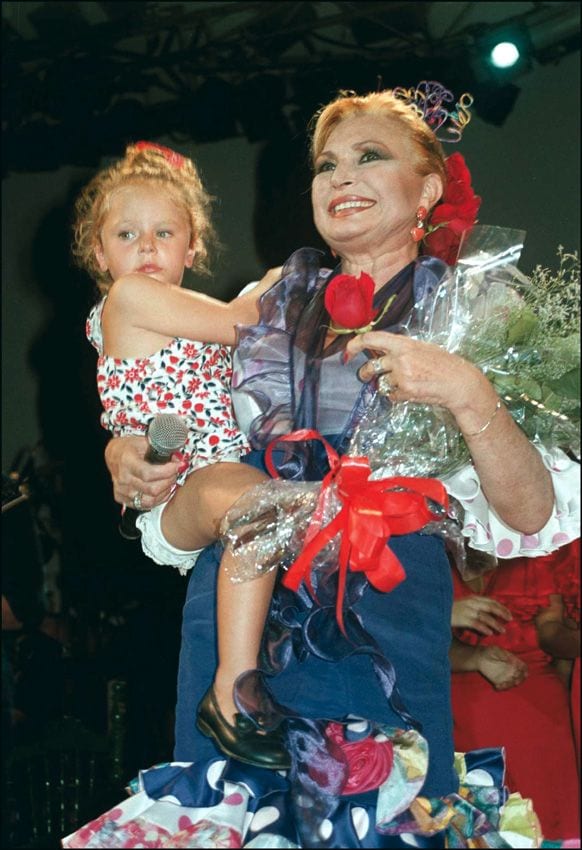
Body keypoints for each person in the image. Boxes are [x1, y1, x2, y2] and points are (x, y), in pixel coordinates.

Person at [66, 86, 579, 847]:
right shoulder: (262, 304)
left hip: (384, 625)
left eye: (369, 157)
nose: (340, 178)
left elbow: (532, 512)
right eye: (326, 165)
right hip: (235, 625)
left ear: (428, 189)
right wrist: (130, 453)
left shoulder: (481, 314)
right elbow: (166, 427)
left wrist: (466, 392)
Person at [73, 140, 290, 769]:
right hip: (183, 486)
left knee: (265, 507)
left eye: (164, 232)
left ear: (191, 247)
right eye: (127, 234)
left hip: (213, 473)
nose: (146, 248)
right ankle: (231, 691)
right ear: (100, 252)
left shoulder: (182, 312)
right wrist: (290, 277)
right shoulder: (129, 300)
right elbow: (241, 319)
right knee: (259, 505)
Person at [449, 542, 580, 840]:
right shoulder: (426, 546)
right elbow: (399, 641)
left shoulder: (533, 540)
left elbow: (550, 630)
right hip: (463, 706)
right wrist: (443, 613)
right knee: (489, 825)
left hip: (539, 705)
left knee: (554, 820)